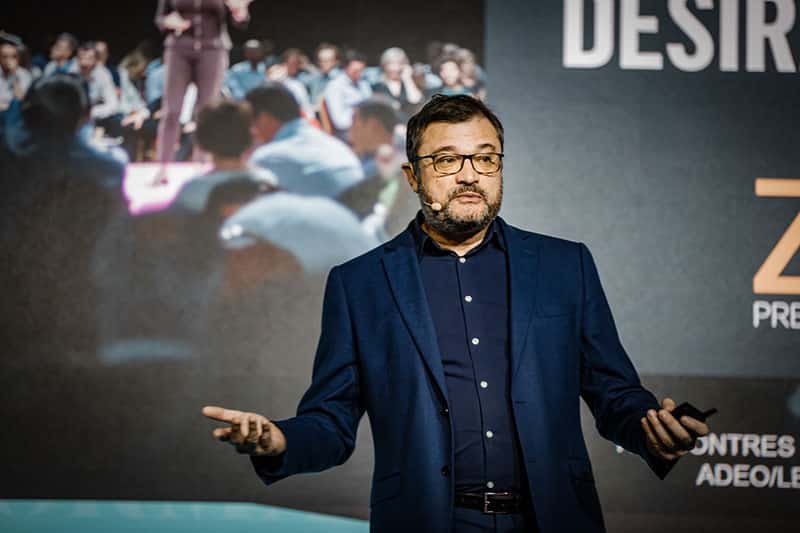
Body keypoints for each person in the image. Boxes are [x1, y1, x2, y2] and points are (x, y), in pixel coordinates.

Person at [203, 94, 712, 532]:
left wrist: (650, 428)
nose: (469, 175)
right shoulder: (360, 284)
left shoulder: (565, 266)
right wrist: (279, 439)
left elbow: (613, 392)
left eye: (485, 159)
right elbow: (332, 423)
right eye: (447, 160)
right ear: (413, 176)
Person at [154, 0, 252, 161]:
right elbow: (160, 18)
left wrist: (239, 11)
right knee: (171, 110)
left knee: (207, 111)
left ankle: (202, 164)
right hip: (179, 49)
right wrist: (167, 21)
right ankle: (163, 165)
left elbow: (240, 22)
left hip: (212, 49)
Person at [247, 82, 363, 198]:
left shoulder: (267, 158)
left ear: (263, 118)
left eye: (250, 121)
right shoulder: (335, 146)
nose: (250, 130)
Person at [322, 49, 371, 140]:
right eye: (355, 71)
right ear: (345, 68)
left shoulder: (363, 84)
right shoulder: (335, 87)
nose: (359, 74)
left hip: (367, 127)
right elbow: (340, 121)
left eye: (361, 70)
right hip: (347, 133)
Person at [370, 47, 422, 119]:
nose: (396, 68)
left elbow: (415, 100)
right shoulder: (377, 86)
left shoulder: (408, 84)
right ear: (384, 65)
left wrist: (407, 79)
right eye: (392, 63)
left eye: (399, 63)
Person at [0, 41, 33, 112]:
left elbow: (21, 99)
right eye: (5, 56)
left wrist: (14, 74)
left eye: (13, 56)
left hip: (14, 114)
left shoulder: (24, 75)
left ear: (18, 58)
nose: (9, 60)